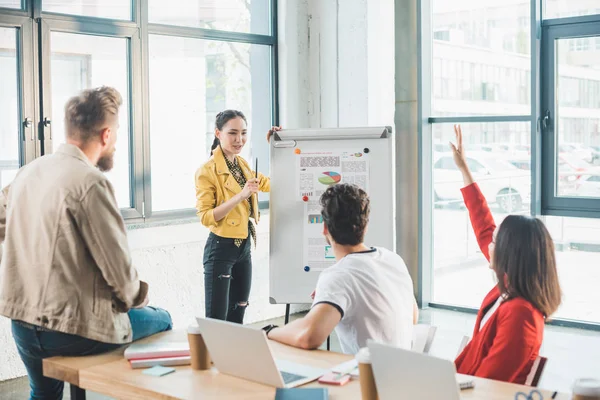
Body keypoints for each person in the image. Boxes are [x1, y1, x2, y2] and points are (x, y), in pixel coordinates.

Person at [0, 86, 172, 399]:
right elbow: (120, 274)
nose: (117, 143)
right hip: (72, 331)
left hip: (22, 323)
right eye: (117, 133)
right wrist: (136, 296)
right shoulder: (91, 183)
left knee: (43, 392)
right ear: (106, 135)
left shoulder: (29, 172)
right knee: (162, 319)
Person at [450, 125, 562, 384]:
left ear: (508, 254)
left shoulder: (522, 314)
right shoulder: (510, 290)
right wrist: (464, 169)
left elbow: (488, 383)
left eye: (496, 241)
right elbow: (483, 224)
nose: (489, 243)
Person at [264, 183, 418, 355]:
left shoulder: (339, 276)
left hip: (367, 378)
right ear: (365, 226)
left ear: (324, 228)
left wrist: (269, 331)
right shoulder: (393, 259)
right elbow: (413, 316)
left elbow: (308, 337)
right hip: (403, 374)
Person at [195, 110, 279, 324]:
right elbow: (206, 217)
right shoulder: (207, 171)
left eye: (243, 133)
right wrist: (241, 195)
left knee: (237, 315)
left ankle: (233, 359)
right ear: (217, 133)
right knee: (217, 320)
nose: (239, 139)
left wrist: (277, 145)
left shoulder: (243, 166)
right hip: (221, 248)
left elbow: (272, 183)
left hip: (244, 247)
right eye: (232, 133)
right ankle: (213, 358)